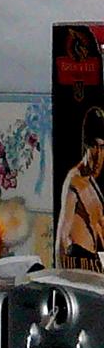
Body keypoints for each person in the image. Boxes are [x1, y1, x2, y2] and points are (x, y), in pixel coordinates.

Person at [57, 108, 104, 270]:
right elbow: (62, 238)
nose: (99, 155)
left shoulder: (92, 185)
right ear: (87, 145)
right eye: (95, 147)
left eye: (103, 147)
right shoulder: (74, 181)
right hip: (80, 265)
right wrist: (61, 277)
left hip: (96, 266)